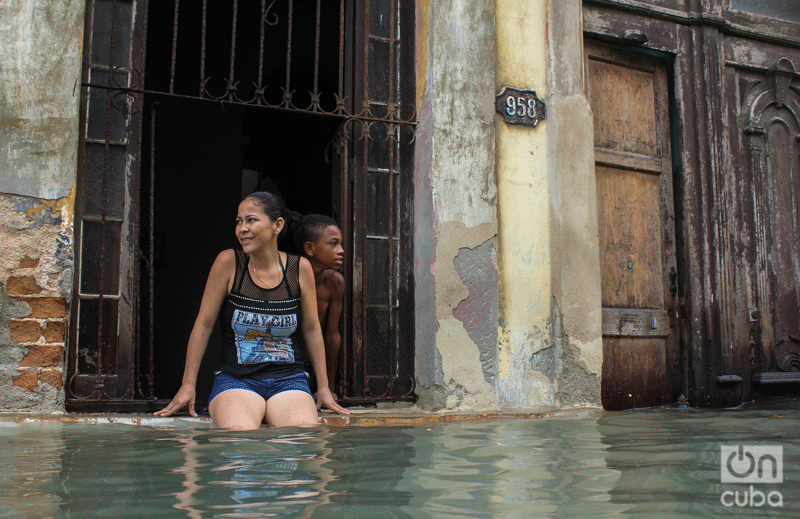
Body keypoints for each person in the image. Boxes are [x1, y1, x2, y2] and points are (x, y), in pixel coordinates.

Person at [155, 192, 351, 429]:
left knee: (300, 437)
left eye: (251, 220)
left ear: (277, 225)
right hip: (237, 381)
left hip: (289, 381)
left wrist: (323, 388)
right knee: (241, 438)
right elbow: (204, 324)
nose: (242, 229)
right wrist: (188, 385)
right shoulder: (228, 264)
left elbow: (311, 329)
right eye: (239, 221)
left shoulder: (299, 269)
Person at [293, 215, 345, 398]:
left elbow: (332, 336)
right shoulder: (287, 279)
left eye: (340, 244)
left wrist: (328, 388)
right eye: (333, 244)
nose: (341, 251)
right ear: (310, 248)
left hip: (313, 369)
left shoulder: (334, 282)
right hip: (285, 367)